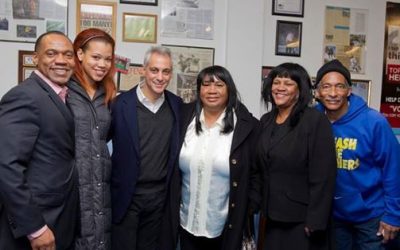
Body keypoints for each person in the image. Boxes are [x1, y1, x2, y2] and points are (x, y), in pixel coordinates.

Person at [161, 65, 260, 250]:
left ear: (229, 89)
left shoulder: (248, 126)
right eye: (206, 85)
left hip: (225, 227)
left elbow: (257, 173)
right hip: (186, 222)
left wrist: (248, 208)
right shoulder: (183, 118)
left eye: (219, 85)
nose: (212, 90)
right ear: (199, 90)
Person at [0, 31, 78, 250]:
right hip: (37, 225)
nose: (61, 60)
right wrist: (36, 229)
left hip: (59, 219)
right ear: (35, 58)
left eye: (68, 54)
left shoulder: (61, 95)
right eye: (51, 53)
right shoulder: (24, 96)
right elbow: (6, 166)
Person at [314, 59, 400, 250]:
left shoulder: (374, 121)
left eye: (340, 86)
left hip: (372, 217)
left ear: (349, 91)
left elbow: (393, 169)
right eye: (326, 87)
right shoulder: (314, 120)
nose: (333, 93)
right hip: (334, 218)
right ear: (318, 92)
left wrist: (394, 215)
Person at [256, 63, 337, 250]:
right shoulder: (266, 121)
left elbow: (324, 176)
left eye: (288, 83)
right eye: (276, 82)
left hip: (302, 220)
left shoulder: (315, 121)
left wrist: (315, 220)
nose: (280, 88)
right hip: (271, 216)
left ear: (300, 89)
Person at [110, 46, 182, 250]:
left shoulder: (177, 105)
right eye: (154, 70)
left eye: (166, 71)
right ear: (143, 70)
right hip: (126, 198)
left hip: (160, 198)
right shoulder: (118, 105)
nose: (160, 77)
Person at [67, 28, 116, 249]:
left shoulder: (106, 93)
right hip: (72, 188)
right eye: (96, 57)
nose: (102, 64)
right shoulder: (63, 89)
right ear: (79, 54)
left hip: (101, 187)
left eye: (107, 59)